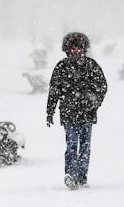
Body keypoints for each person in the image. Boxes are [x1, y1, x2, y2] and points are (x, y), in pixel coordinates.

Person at [46, 32, 108, 190]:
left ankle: (81, 176)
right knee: (72, 145)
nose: (75, 51)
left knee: (85, 146)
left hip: (87, 113)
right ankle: (71, 175)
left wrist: (94, 102)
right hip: (69, 113)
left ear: (84, 49)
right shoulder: (61, 67)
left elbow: (102, 86)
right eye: (72, 48)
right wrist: (50, 111)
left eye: (78, 48)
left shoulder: (91, 65)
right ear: (67, 50)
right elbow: (54, 91)